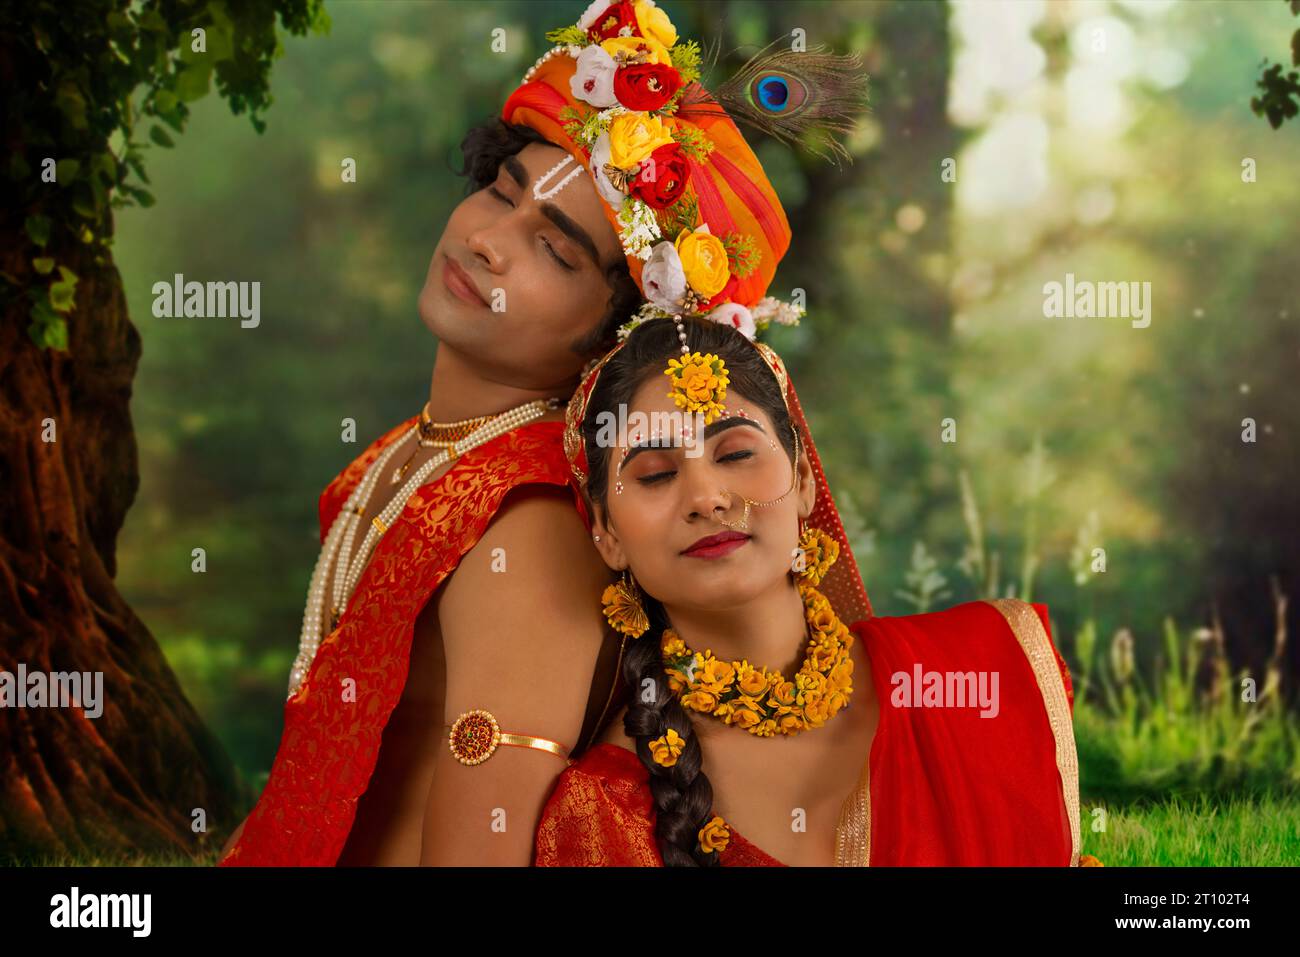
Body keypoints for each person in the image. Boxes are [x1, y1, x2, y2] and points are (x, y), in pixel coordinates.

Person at [533, 315, 1089, 866]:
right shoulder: (607, 815)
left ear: (802, 481)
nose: (707, 496)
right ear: (606, 534)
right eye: (655, 474)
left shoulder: (983, 673)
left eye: (734, 454)